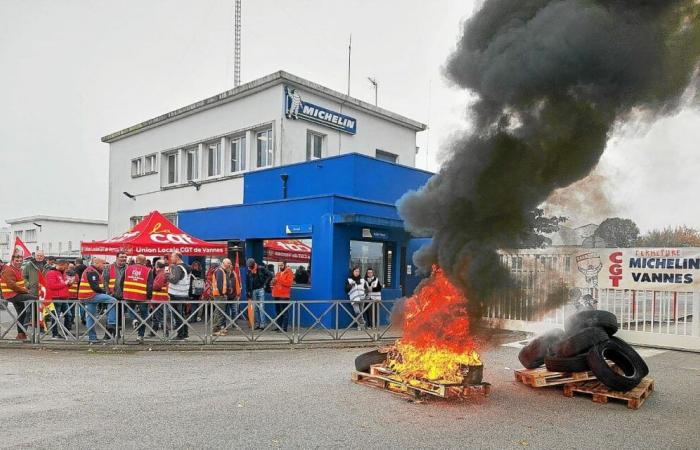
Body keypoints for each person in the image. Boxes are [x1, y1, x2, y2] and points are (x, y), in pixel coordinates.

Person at [77, 257, 117, 343]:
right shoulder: (92, 272)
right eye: (103, 264)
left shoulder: (91, 270)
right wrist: (105, 293)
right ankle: (111, 322)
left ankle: (92, 338)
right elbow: (95, 287)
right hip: (91, 295)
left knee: (90, 317)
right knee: (113, 300)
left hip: (86, 296)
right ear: (97, 263)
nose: (104, 266)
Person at [1, 254, 38, 340]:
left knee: (22, 314)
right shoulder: (9, 269)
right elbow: (12, 285)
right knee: (34, 299)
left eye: (21, 261)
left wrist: (25, 288)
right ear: (12, 260)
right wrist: (26, 291)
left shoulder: (17, 269)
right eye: (17, 261)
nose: (19, 262)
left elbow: (20, 282)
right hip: (12, 294)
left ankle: (21, 334)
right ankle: (35, 320)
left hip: (16, 293)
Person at [121, 254, 153, 343]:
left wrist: (123, 292)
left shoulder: (127, 269)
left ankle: (134, 319)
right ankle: (140, 336)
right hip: (142, 296)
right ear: (145, 261)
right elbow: (150, 286)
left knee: (130, 309)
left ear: (136, 260)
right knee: (144, 316)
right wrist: (149, 297)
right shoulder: (148, 270)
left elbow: (121, 281)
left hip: (128, 294)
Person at [46, 259, 74, 339]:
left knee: (69, 315)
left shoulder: (63, 272)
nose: (66, 268)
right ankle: (55, 334)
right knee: (56, 317)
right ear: (61, 265)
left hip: (63, 297)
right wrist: (65, 283)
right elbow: (52, 286)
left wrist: (69, 284)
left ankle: (66, 332)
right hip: (56, 297)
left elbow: (64, 284)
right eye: (65, 267)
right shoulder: (51, 273)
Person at [167, 251, 191, 340]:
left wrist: (167, 276)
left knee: (177, 315)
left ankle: (180, 334)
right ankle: (185, 333)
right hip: (184, 293)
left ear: (177, 257)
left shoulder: (178, 268)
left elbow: (174, 280)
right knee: (182, 314)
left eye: (172, 257)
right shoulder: (187, 267)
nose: (171, 259)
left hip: (176, 294)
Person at [104, 252, 127, 335]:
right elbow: (105, 281)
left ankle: (118, 334)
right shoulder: (109, 267)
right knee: (110, 315)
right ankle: (107, 334)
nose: (124, 259)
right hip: (111, 295)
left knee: (120, 315)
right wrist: (108, 293)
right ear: (116, 257)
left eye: (125, 257)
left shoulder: (128, 268)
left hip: (123, 296)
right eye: (122, 257)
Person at [246, 258, 272, 330]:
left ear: (253, 264)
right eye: (248, 266)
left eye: (250, 266)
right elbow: (248, 281)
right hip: (253, 290)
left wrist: (265, 284)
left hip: (261, 289)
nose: (249, 267)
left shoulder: (261, 268)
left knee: (261, 307)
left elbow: (270, 275)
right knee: (255, 308)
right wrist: (248, 291)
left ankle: (262, 324)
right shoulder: (249, 271)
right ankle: (257, 324)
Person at [212, 259, 233, 336]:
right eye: (229, 264)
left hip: (220, 294)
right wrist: (222, 293)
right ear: (224, 263)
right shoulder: (220, 271)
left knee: (219, 312)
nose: (230, 265)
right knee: (219, 312)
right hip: (219, 295)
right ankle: (216, 330)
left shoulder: (223, 271)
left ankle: (219, 329)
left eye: (230, 264)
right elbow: (219, 284)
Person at [271, 261, 293, 333]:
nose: (280, 267)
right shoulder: (278, 273)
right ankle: (279, 326)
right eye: (279, 265)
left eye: (281, 265)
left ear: (285, 265)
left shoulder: (289, 272)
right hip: (276, 294)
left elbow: (289, 283)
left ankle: (284, 328)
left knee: (284, 312)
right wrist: (273, 281)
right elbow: (274, 283)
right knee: (278, 312)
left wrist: (279, 280)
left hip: (284, 295)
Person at [344, 266, 368, 331]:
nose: (357, 273)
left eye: (358, 271)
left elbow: (366, 289)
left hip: (362, 298)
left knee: (361, 312)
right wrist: (351, 285)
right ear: (353, 272)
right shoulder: (349, 280)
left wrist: (365, 294)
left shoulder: (362, 280)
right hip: (354, 299)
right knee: (357, 311)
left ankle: (360, 326)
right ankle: (363, 323)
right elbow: (346, 289)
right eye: (356, 271)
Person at [150, 260, 170, 335]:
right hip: (160, 298)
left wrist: (151, 285)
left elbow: (157, 286)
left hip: (159, 298)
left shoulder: (161, 274)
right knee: (155, 316)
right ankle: (153, 331)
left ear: (157, 267)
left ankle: (165, 332)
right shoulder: (163, 273)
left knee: (159, 316)